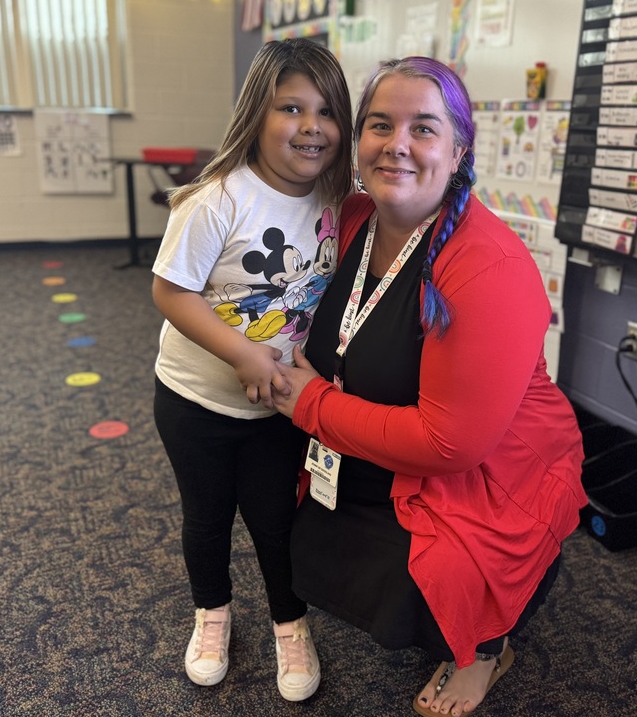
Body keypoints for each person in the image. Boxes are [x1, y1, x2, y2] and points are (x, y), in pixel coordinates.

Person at [271, 56, 587, 717]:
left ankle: (485, 648)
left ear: (458, 148)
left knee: (434, 579)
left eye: (424, 128)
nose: (398, 145)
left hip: (490, 474)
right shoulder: (351, 218)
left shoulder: (487, 265)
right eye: (380, 125)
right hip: (372, 442)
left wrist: (310, 405)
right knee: (297, 524)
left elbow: (450, 444)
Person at [150, 38, 353, 701]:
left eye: (326, 111)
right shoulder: (216, 200)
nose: (310, 126)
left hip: (278, 409)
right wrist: (241, 352)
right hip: (194, 400)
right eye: (290, 107)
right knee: (206, 517)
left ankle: (290, 624)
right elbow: (171, 290)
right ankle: (212, 614)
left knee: (276, 520)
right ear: (256, 116)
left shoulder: (336, 199)